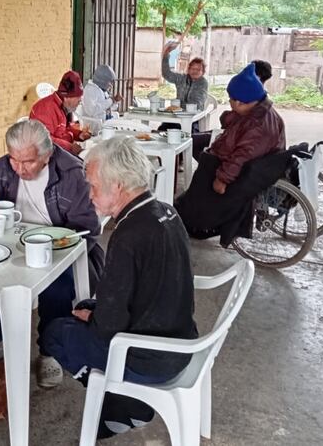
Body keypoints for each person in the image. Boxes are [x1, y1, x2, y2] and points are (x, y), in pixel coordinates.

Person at [41, 136, 197, 440]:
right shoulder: (167, 212)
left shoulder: (128, 234)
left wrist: (94, 318)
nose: (89, 195)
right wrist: (97, 311)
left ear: (118, 187)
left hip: (148, 358)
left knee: (56, 332)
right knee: (86, 309)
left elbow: (109, 325)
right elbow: (149, 287)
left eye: (93, 186)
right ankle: (121, 397)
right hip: (181, 342)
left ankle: (120, 399)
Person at [0, 119, 104, 389]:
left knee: (58, 287)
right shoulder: (0, 169)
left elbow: (87, 229)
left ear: (47, 154)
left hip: (58, 250)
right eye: (13, 159)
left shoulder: (71, 173)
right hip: (9, 246)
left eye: (27, 161)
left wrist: (55, 248)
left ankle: (48, 351)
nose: (19, 168)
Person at [176, 63, 286, 241]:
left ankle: (197, 222)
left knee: (204, 171)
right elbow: (233, 127)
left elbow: (242, 156)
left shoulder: (257, 126)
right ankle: (186, 210)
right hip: (230, 156)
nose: (229, 102)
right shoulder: (257, 110)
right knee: (203, 158)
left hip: (238, 169)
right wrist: (232, 115)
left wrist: (222, 178)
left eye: (231, 100)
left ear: (241, 102)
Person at [30, 70, 91, 156]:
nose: (80, 101)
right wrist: (70, 147)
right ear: (67, 97)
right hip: (45, 158)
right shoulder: (45, 109)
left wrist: (80, 135)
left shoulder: (64, 107)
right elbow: (44, 140)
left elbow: (64, 130)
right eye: (78, 97)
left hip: (60, 152)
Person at [161, 40, 208, 112]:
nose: (195, 71)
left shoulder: (202, 82)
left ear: (203, 72)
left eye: (198, 69)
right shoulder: (181, 78)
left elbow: (197, 103)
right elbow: (166, 74)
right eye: (193, 69)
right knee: (165, 123)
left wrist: (181, 107)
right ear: (188, 70)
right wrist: (166, 54)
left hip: (194, 115)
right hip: (177, 113)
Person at [79, 65, 123, 134]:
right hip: (93, 126)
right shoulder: (90, 89)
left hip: (103, 122)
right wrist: (111, 100)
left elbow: (111, 108)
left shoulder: (101, 90)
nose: (111, 85)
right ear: (102, 80)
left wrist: (115, 101)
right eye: (110, 82)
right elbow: (92, 111)